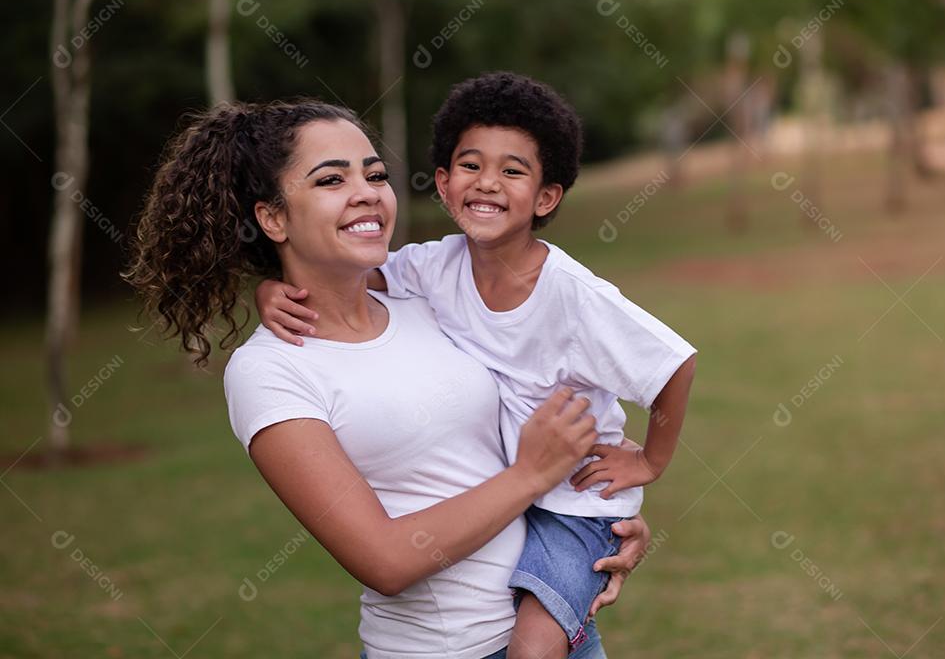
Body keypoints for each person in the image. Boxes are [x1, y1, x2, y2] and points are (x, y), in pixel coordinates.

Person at [124, 99, 651, 659]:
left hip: (560, 628)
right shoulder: (271, 370)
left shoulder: (424, 296)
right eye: (331, 179)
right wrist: (528, 474)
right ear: (273, 217)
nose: (367, 191)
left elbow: (521, 400)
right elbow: (386, 562)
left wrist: (601, 528)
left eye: (375, 174)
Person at [256, 74, 696, 658]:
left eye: (512, 171)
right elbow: (342, 277)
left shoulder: (568, 294)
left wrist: (649, 461)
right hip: (462, 599)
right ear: (442, 182)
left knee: (534, 648)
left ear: (546, 197)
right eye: (471, 166)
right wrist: (267, 287)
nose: (488, 182)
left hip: (571, 507)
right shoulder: (427, 273)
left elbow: (672, 365)